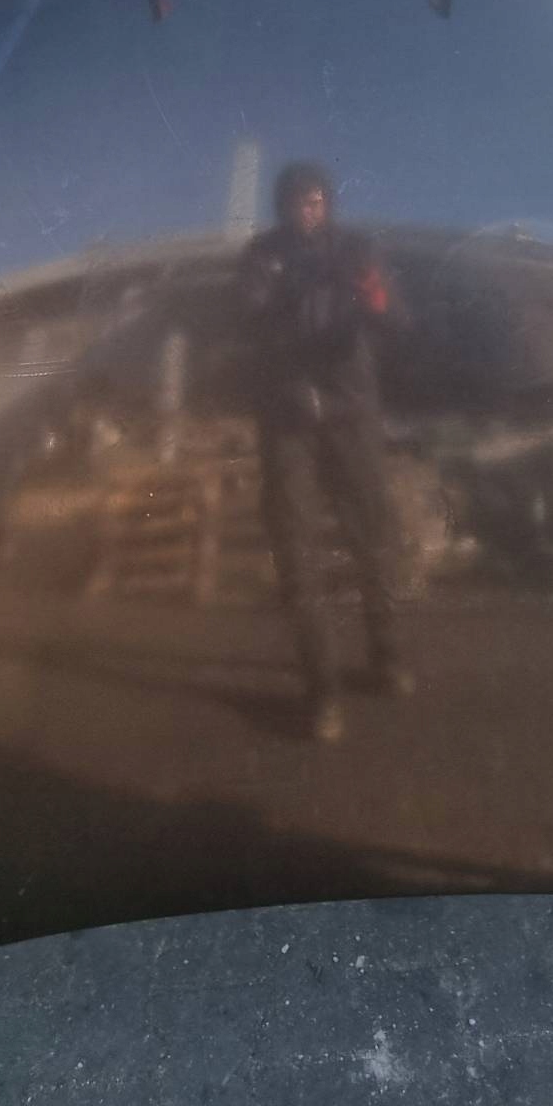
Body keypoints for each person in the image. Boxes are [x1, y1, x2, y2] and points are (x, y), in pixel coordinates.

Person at [240, 162, 410, 742]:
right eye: (296, 202)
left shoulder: (357, 248)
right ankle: (323, 690)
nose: (306, 211)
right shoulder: (262, 254)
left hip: (351, 409)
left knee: (373, 534)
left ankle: (387, 655)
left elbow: (395, 318)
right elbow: (245, 318)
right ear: (282, 206)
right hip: (288, 414)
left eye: (314, 201)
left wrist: (373, 295)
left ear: (327, 204)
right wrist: (285, 290)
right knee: (294, 544)